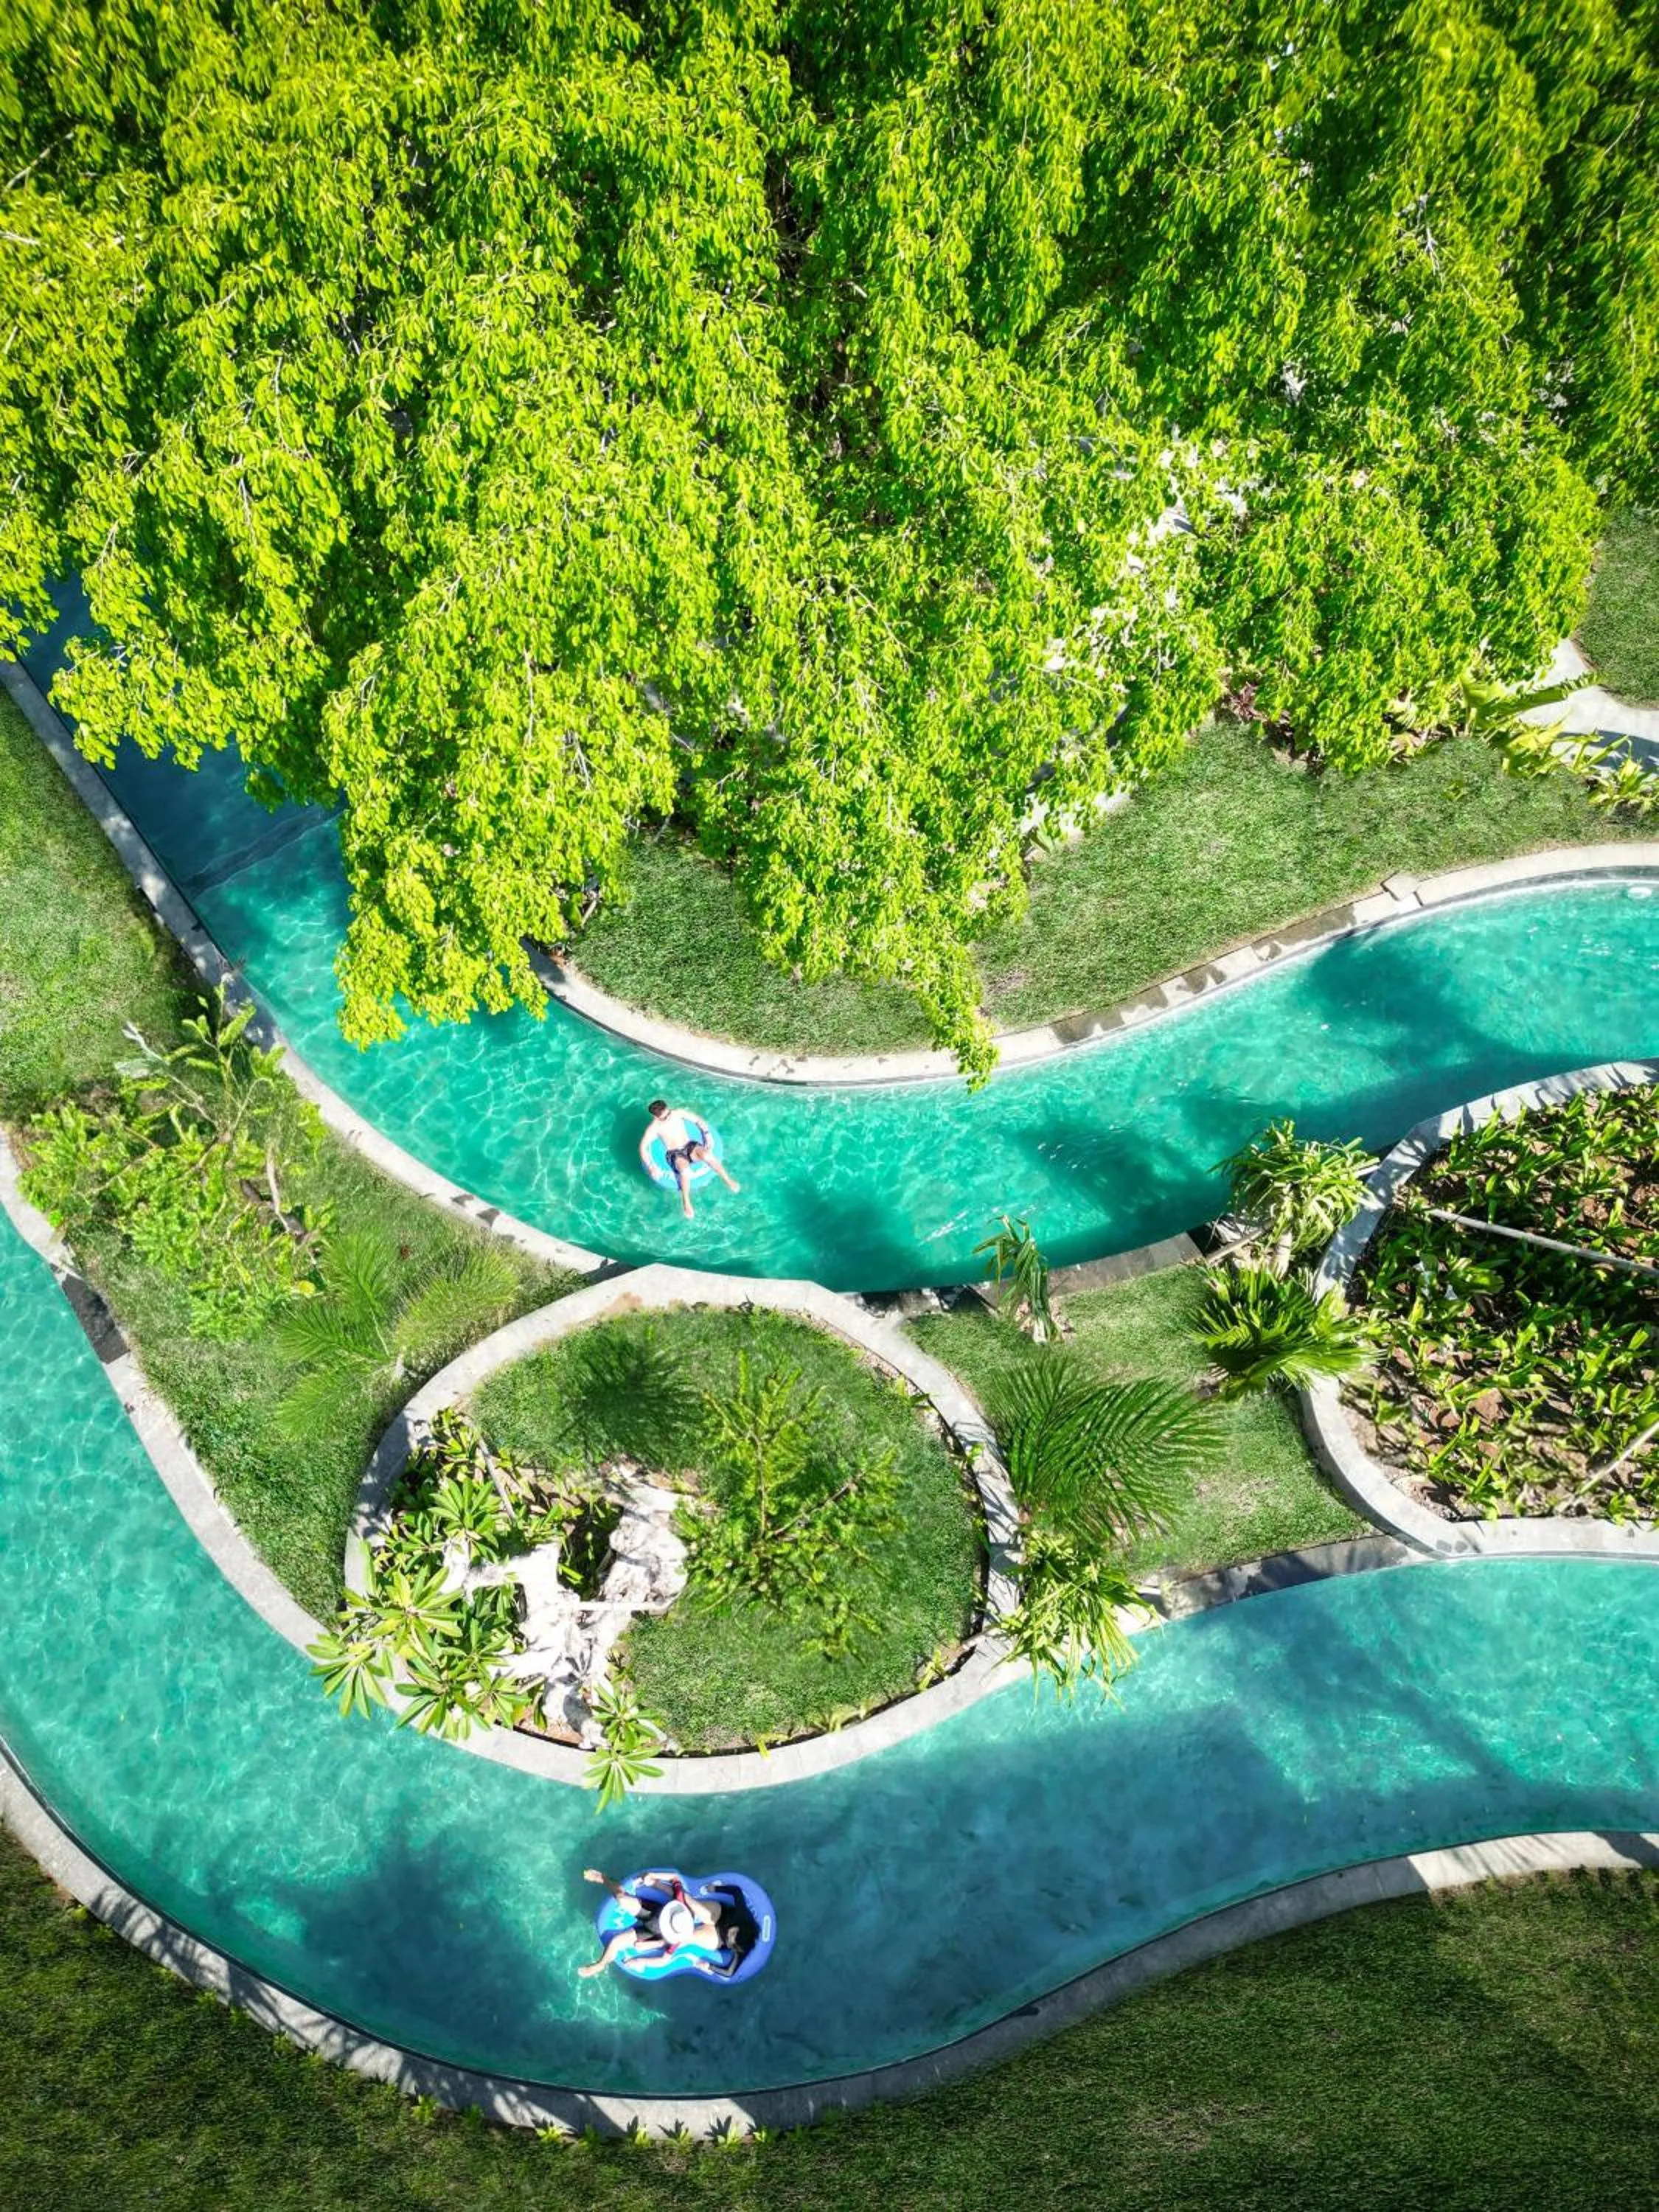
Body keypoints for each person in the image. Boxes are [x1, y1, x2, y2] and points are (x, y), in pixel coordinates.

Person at [577, 1867, 746, 1979]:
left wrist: (642, 1961)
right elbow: (675, 1879)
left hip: (661, 1934)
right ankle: (603, 1878)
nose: (729, 1934)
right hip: (658, 1914)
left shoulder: (678, 1939)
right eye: (733, 1933)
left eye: (730, 1939)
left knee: (617, 1941)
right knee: (622, 1899)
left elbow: (664, 1960)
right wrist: (655, 1879)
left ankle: (600, 1964)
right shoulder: (681, 1903)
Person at [639, 1099, 740, 1220]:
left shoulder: (678, 1113)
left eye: (668, 1113)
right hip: (675, 1153)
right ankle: (686, 1202)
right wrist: (651, 1167)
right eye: (664, 1117)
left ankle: (728, 1180)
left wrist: (707, 1135)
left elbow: (698, 1120)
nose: (669, 1117)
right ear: (655, 1117)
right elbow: (643, 1147)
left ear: (668, 1108)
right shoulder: (654, 1128)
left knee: (707, 1155)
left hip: (689, 1146)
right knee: (685, 1170)